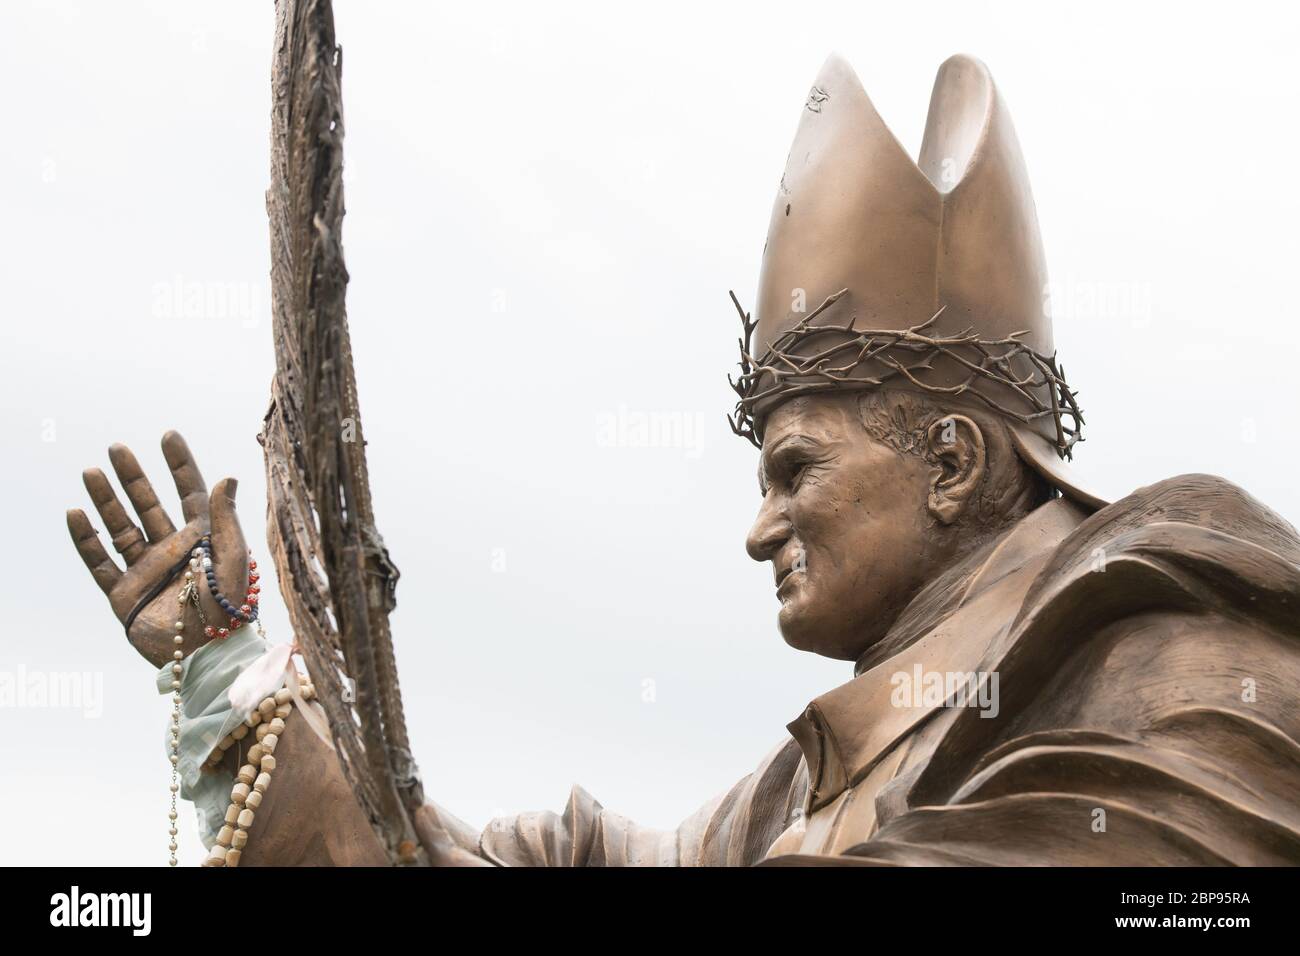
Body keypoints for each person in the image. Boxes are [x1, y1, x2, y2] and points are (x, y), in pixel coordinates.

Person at [67, 54, 1300, 866]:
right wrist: (227, 673)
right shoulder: (788, 796)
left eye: (792, 470)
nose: (758, 528)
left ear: (953, 461)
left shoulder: (1174, 651)